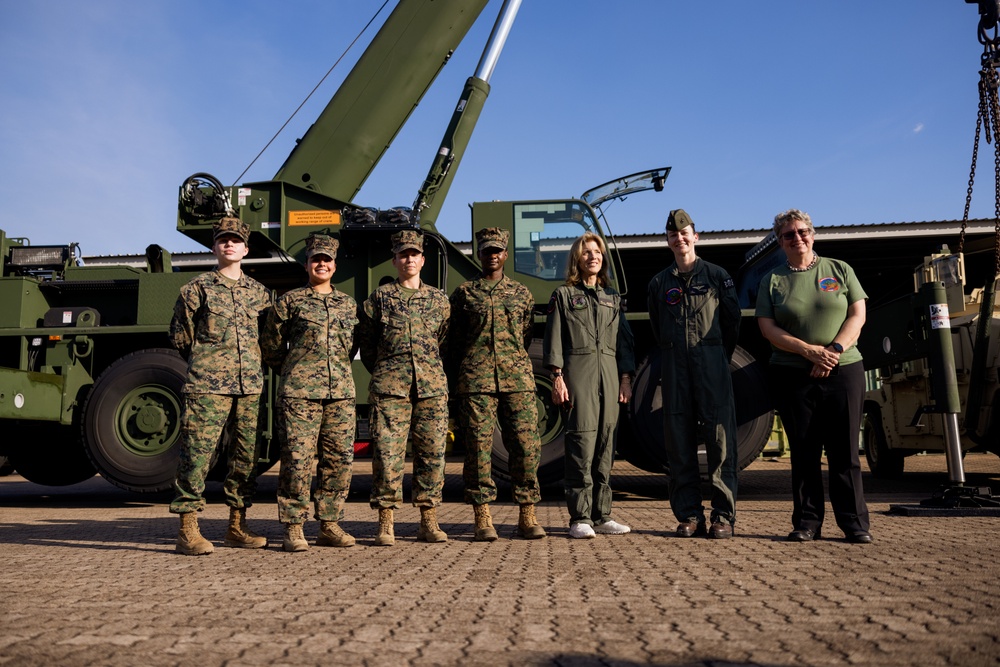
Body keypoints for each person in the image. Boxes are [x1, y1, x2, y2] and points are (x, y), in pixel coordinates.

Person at [756, 208, 873, 544]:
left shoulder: (839, 270)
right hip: (793, 374)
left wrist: (832, 351)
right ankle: (807, 522)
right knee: (805, 451)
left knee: (845, 451)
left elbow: (858, 313)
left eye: (802, 231)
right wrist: (808, 351)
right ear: (780, 241)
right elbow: (767, 328)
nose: (797, 238)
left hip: (844, 369)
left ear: (813, 233)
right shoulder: (773, 280)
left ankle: (854, 523)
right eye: (789, 234)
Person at [168, 216, 271, 555]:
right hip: (207, 386)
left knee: (245, 458)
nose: (229, 244)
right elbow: (181, 336)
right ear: (214, 247)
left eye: (235, 240)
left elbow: (268, 339)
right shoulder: (196, 289)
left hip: (249, 386)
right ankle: (187, 529)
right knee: (197, 454)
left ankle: (236, 526)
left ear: (245, 249)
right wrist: (206, 363)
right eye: (223, 239)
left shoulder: (259, 293)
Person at [261, 234, 358, 552]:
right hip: (299, 394)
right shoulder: (290, 302)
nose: (322, 264)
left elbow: (353, 346)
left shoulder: (347, 304)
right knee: (297, 461)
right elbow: (271, 346)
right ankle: (293, 527)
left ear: (334, 265)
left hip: (340, 393)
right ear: (306, 264)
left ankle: (329, 525)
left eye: (327, 259)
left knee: (338, 460)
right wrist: (293, 371)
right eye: (316, 259)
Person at [648, 209, 740, 539]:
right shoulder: (659, 283)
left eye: (685, 233)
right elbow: (659, 329)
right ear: (668, 241)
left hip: (711, 365)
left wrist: (715, 355)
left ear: (695, 237)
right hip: (676, 370)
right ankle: (689, 513)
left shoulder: (717, 276)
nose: (680, 238)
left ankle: (722, 516)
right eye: (673, 234)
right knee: (679, 442)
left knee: (720, 441)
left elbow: (732, 323)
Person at [448, 227, 546, 542]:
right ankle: (482, 518)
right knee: (477, 450)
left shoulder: (522, 293)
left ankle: (527, 516)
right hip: (476, 382)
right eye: (486, 251)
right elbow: (455, 340)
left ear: (505, 255)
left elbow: (526, 335)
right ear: (479, 255)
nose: (492, 256)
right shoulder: (464, 294)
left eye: (497, 251)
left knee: (526, 447)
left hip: (517, 380)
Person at [357, 229, 450, 546]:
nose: (409, 259)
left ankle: (428, 519)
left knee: (432, 455)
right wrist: (388, 371)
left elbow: (444, 342)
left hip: (431, 389)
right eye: (403, 254)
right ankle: (386, 522)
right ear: (395, 260)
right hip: (390, 389)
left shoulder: (439, 300)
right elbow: (367, 347)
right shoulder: (379, 300)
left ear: (423, 260)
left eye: (414, 254)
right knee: (387, 455)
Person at [542, 231, 634, 539]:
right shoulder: (565, 295)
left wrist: (625, 379)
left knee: (607, 442)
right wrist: (557, 377)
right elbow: (553, 338)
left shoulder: (613, 297)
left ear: (603, 258)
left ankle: (602, 515)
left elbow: (624, 343)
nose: (592, 256)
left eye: (597, 252)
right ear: (577, 259)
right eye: (586, 252)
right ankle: (579, 517)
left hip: (609, 374)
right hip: (578, 372)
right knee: (581, 442)